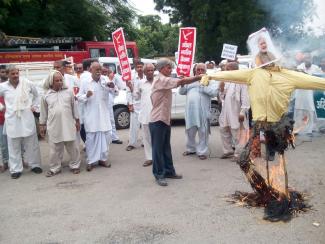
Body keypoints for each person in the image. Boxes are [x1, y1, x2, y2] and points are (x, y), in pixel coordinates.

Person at [150, 58, 203, 186]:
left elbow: (180, 81)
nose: (171, 70)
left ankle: (169, 171)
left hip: (164, 119)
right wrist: (198, 77)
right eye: (168, 67)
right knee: (158, 150)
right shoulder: (160, 79)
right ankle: (159, 174)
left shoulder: (164, 79)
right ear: (161, 68)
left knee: (166, 147)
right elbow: (182, 81)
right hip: (157, 120)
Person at [0, 65, 42, 179]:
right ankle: (15, 169)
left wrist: (34, 106)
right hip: (12, 119)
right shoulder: (3, 86)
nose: (15, 75)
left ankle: (35, 165)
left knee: (32, 143)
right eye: (12, 74)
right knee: (13, 145)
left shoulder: (27, 83)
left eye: (17, 73)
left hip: (27, 117)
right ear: (8, 74)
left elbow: (37, 95)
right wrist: (2, 107)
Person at [39, 71, 81, 176]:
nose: (59, 82)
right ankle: (55, 168)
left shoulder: (69, 92)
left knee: (73, 146)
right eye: (56, 81)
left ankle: (75, 165)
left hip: (68, 123)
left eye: (60, 80)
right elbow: (43, 112)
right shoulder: (46, 95)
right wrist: (42, 125)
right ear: (51, 82)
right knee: (55, 149)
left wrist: (77, 121)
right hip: (54, 125)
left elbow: (74, 107)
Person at [77, 62, 114, 171]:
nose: (98, 71)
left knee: (106, 137)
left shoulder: (105, 80)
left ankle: (103, 159)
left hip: (104, 115)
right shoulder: (85, 82)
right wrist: (86, 96)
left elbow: (115, 92)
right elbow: (78, 97)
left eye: (100, 69)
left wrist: (112, 87)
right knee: (91, 139)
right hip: (91, 116)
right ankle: (91, 161)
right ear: (90, 70)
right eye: (96, 69)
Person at [179, 63, 218, 160]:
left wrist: (203, 84)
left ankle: (202, 151)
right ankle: (190, 149)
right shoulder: (190, 80)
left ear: (205, 71)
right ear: (195, 70)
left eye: (202, 70)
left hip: (203, 111)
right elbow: (181, 92)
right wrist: (183, 83)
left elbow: (213, 93)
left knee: (203, 132)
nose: (200, 72)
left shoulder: (210, 81)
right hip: (191, 111)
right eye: (198, 70)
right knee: (190, 131)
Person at [218, 62, 250, 162]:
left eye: (227, 69)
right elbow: (222, 96)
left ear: (233, 70)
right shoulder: (227, 80)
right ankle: (228, 151)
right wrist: (222, 88)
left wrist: (243, 112)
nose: (225, 71)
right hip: (226, 111)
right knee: (224, 129)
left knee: (238, 133)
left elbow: (246, 98)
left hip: (236, 111)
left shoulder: (241, 81)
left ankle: (239, 154)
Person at [294, 53, 322, 138]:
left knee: (310, 111)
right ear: (304, 59)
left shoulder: (315, 68)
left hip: (310, 93)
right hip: (300, 93)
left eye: (309, 58)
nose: (307, 60)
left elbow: (321, 77)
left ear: (311, 59)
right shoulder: (299, 67)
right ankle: (297, 129)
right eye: (306, 58)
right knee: (299, 112)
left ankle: (309, 130)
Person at [133, 63, 155, 167]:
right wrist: (131, 88)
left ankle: (158, 157)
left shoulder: (158, 82)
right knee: (146, 138)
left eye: (152, 70)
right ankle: (149, 158)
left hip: (157, 115)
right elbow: (136, 97)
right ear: (144, 72)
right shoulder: (140, 83)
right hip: (145, 114)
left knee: (157, 138)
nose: (150, 72)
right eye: (148, 71)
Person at [125, 61, 145, 151]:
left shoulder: (147, 77)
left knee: (145, 124)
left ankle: (146, 142)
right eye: (138, 67)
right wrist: (130, 104)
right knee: (134, 125)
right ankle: (131, 143)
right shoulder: (132, 78)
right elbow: (129, 92)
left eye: (141, 67)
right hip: (135, 105)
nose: (140, 68)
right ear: (136, 69)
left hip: (145, 104)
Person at [102, 65, 123, 144]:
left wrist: (113, 87)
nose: (104, 73)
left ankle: (114, 138)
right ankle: (104, 139)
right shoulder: (96, 80)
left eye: (105, 72)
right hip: (99, 106)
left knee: (111, 121)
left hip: (108, 104)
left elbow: (116, 92)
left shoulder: (109, 80)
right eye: (103, 72)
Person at [0, 65, 9, 172]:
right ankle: (5, 162)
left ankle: (21, 160)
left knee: (19, 142)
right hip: (1, 119)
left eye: (5, 72)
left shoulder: (12, 85)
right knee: (3, 143)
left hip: (13, 118)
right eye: (2, 72)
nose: (4, 74)